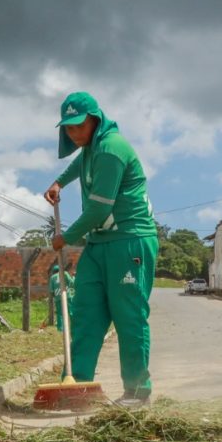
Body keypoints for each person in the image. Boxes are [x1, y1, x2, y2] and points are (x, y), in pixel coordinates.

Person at [44, 92, 158, 407]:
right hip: (98, 243)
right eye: (68, 128)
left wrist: (64, 238)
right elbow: (79, 163)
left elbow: (97, 210)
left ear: (95, 118)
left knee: (128, 315)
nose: (74, 133)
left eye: (79, 126)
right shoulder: (91, 149)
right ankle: (77, 387)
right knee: (86, 314)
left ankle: (138, 391)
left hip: (129, 240)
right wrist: (59, 182)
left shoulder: (112, 148)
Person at [47, 262, 76, 332]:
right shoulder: (65, 274)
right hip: (67, 296)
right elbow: (72, 283)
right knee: (71, 312)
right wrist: (74, 277)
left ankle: (60, 329)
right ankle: (74, 326)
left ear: (54, 271)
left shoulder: (52, 277)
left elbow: (51, 290)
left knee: (60, 314)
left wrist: (53, 297)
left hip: (58, 298)